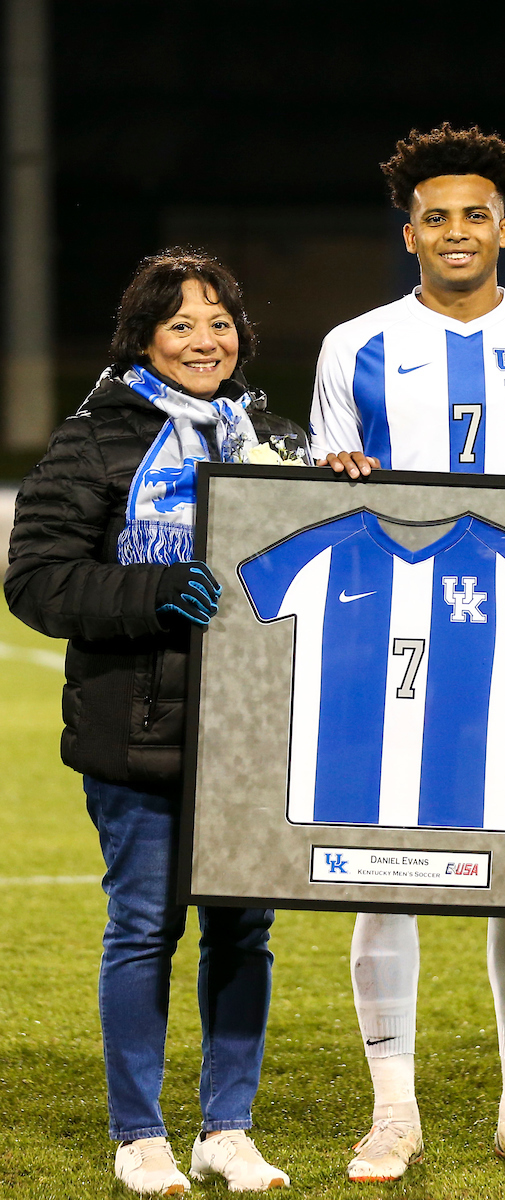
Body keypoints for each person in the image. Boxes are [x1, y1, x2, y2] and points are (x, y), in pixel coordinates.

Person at [309, 123, 505, 1181]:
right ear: (409, 234)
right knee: (382, 873)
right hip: (390, 644)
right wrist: (335, 475)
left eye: (474, 214)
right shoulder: (353, 345)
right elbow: (319, 495)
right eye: (434, 216)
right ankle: (392, 1111)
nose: (455, 230)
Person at [5, 250, 309, 1195]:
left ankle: (228, 1129)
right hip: (137, 727)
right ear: (143, 340)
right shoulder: (94, 438)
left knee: (243, 931)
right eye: (181, 324)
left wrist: (341, 479)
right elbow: (36, 580)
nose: (204, 340)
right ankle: (139, 1135)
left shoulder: (271, 435)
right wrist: (154, 590)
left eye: (219, 322)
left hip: (254, 729)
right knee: (143, 928)